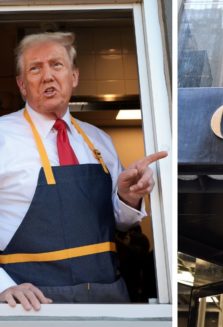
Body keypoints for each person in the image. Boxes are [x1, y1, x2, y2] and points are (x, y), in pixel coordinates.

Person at [0, 32, 167, 311]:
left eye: (57, 65)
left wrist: (128, 197)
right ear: (22, 85)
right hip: (32, 307)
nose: (48, 76)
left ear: (74, 76)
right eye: (35, 68)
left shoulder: (99, 139)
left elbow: (120, 223)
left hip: (107, 301)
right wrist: (3, 287)